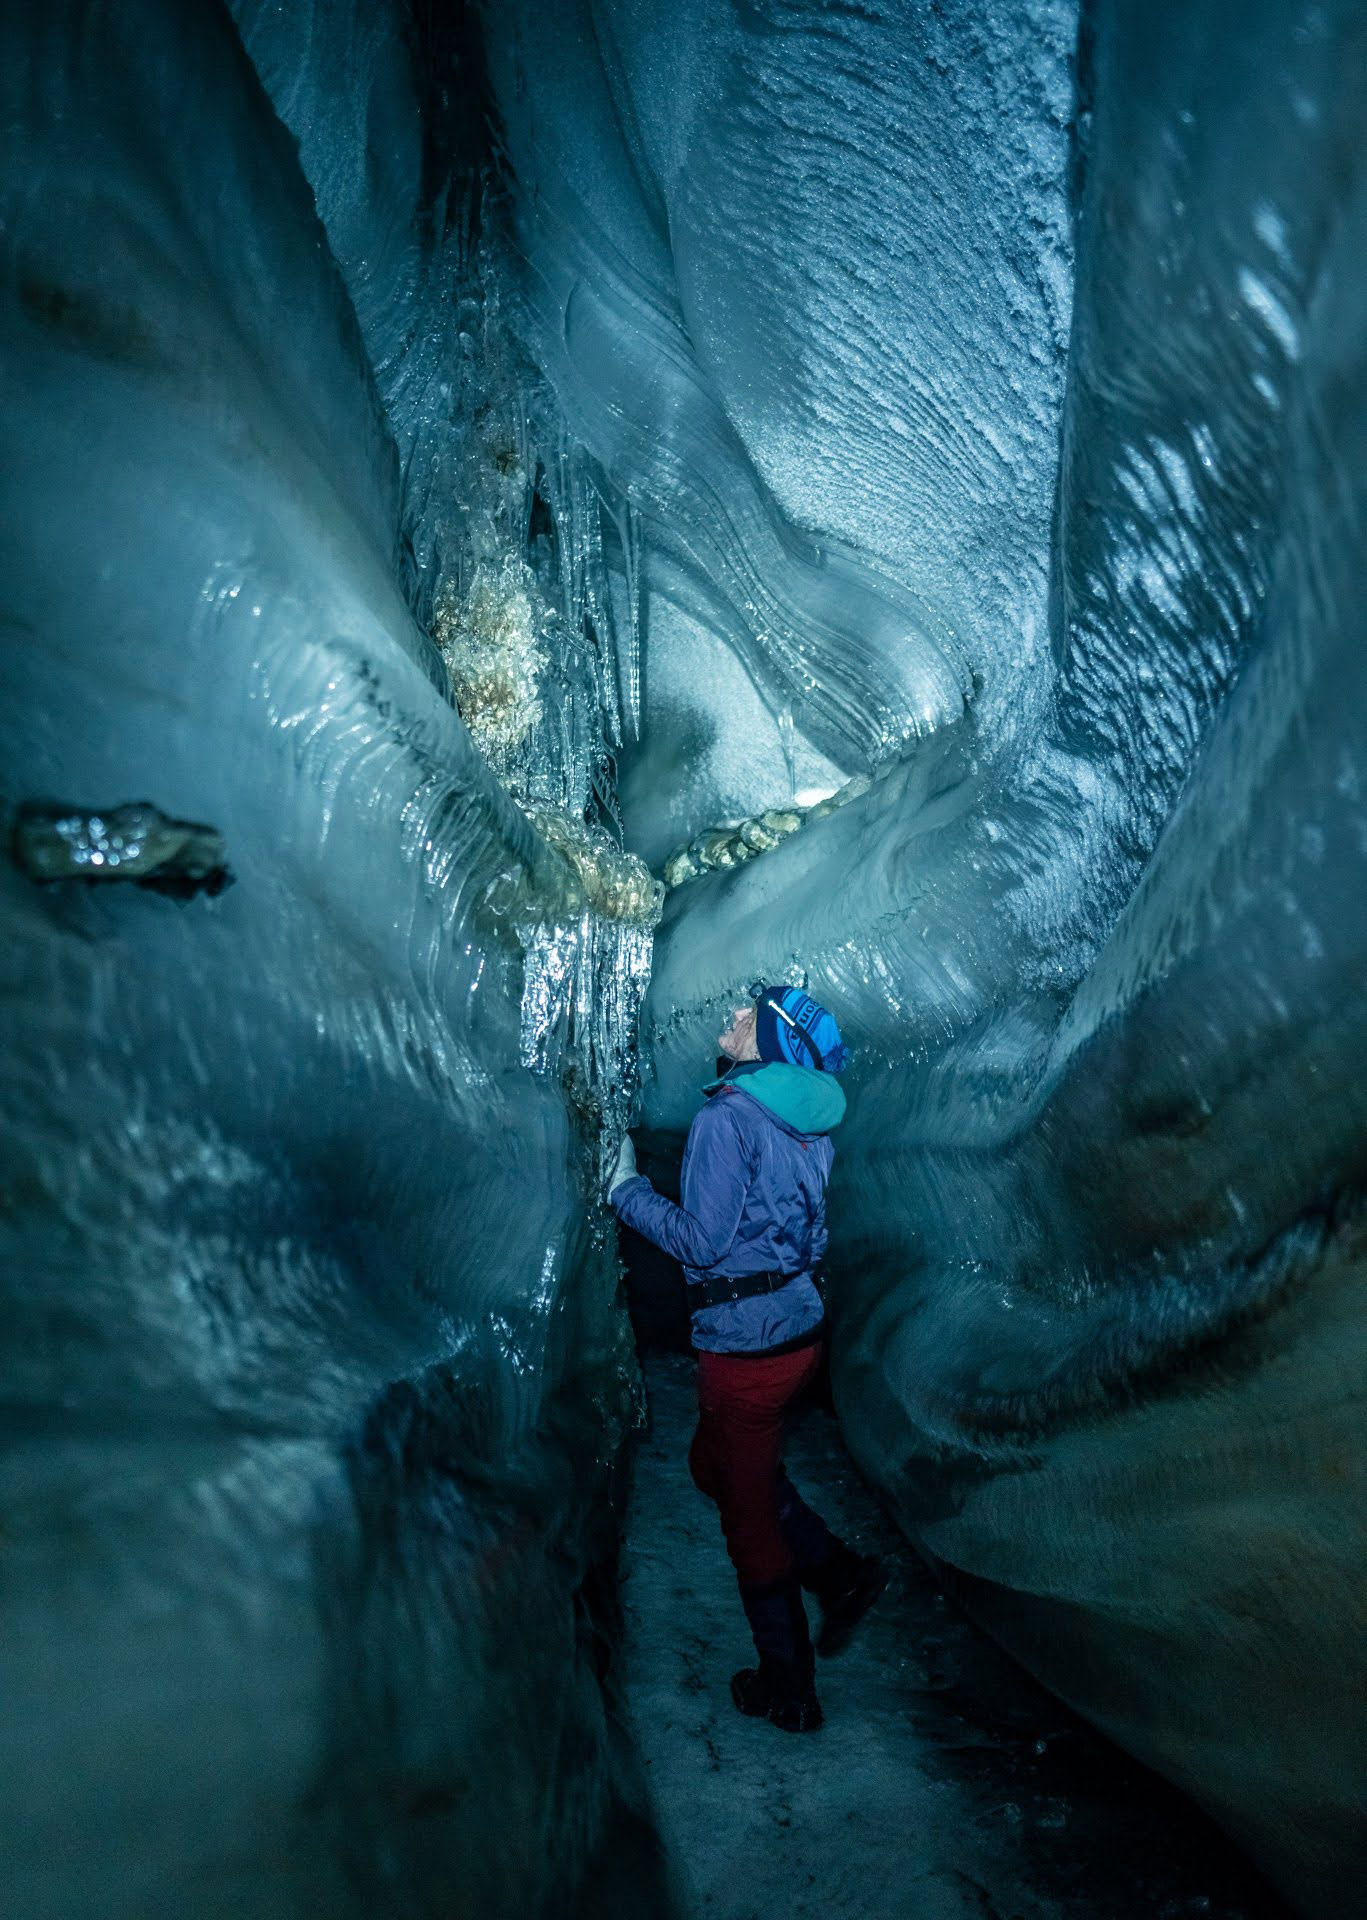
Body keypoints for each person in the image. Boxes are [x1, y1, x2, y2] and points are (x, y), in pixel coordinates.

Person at [608, 983, 886, 1733]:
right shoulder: (807, 1125)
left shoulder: (727, 1116)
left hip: (746, 1344)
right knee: (720, 1469)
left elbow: (701, 1243)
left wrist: (625, 1189)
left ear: (769, 1037)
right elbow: (811, 1235)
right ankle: (840, 1572)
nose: (729, 1018)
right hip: (795, 1328)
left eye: (746, 1014)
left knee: (745, 1513)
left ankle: (788, 1685)